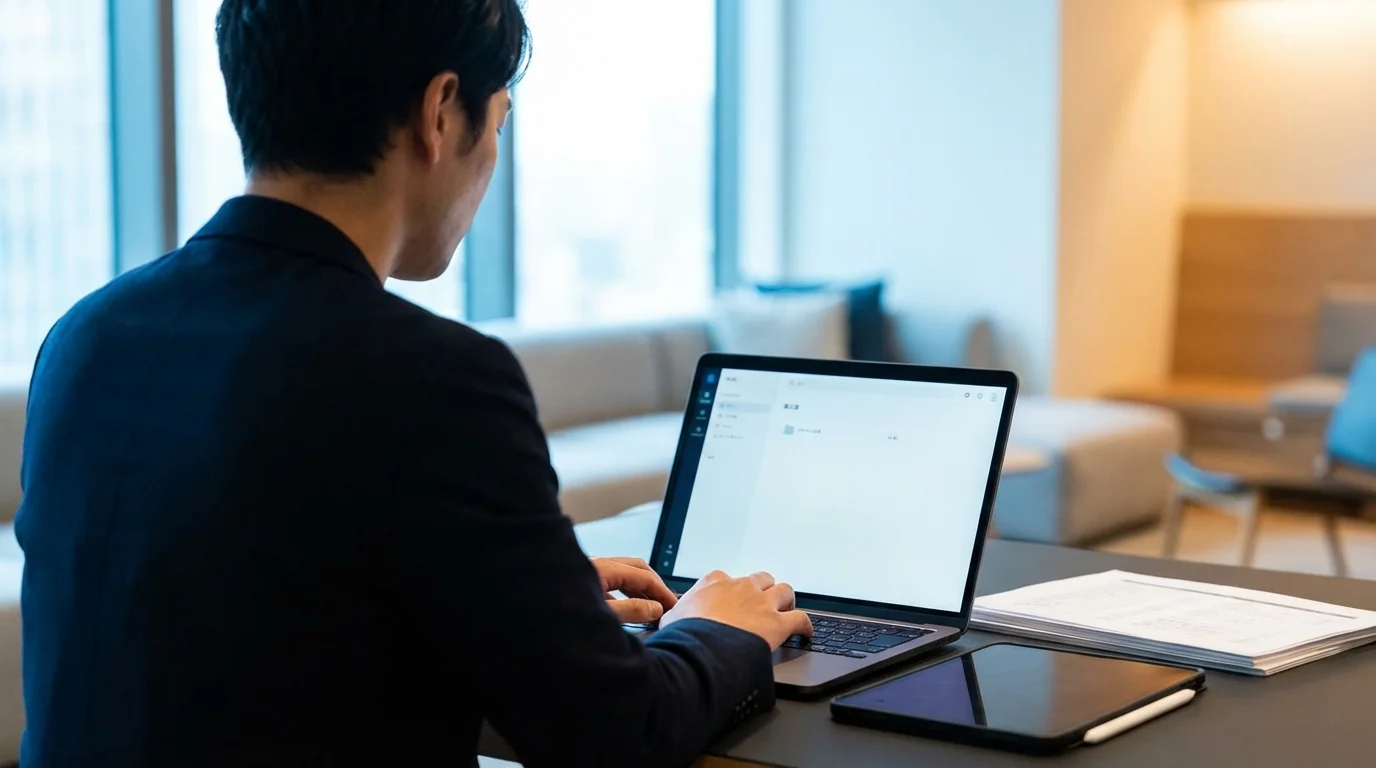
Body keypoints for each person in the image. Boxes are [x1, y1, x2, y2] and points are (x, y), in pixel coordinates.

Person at [15, 1, 812, 765]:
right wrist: (718, 628)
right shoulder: (434, 379)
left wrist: (525, 590)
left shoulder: (87, 336)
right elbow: (618, 736)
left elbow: (246, 601)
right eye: (498, 123)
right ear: (440, 112)